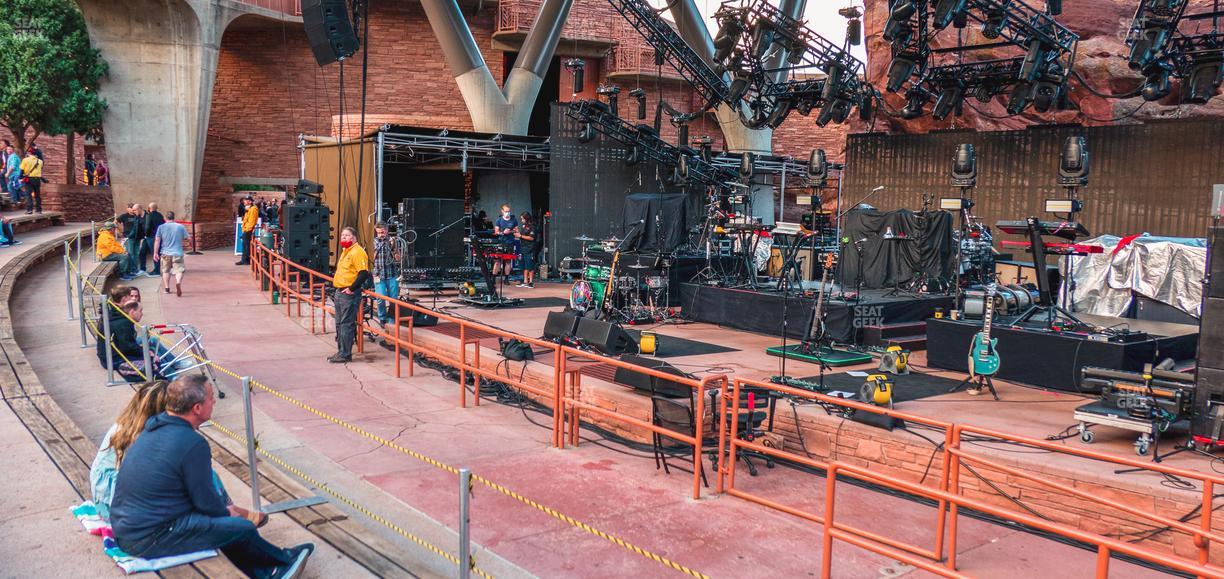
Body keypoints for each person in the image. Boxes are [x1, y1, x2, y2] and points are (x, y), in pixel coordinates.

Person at [110, 376, 313, 577]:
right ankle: (278, 567)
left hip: (128, 530)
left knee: (225, 525)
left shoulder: (153, 428)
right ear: (197, 408)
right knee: (240, 527)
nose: (214, 402)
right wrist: (230, 515)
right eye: (211, 397)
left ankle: (270, 566)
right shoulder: (192, 442)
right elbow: (206, 502)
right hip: (150, 537)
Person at [329, 227, 369, 363]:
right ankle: (341, 351)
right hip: (339, 292)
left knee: (346, 324)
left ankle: (346, 354)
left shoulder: (357, 252)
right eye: (342, 236)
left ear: (354, 238)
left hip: (349, 294)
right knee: (339, 323)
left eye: (347, 236)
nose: (344, 238)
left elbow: (363, 273)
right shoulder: (345, 251)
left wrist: (352, 288)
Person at [96, 300, 159, 382]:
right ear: (132, 312)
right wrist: (146, 352)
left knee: (151, 351)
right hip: (113, 360)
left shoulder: (118, 318)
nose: (142, 314)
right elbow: (127, 347)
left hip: (108, 356)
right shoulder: (125, 323)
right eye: (140, 311)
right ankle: (169, 376)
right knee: (153, 358)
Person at [371, 223, 400, 326]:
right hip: (379, 275)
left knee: (393, 299)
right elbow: (371, 259)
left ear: (387, 231)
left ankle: (392, 319)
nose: (380, 235)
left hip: (391, 274)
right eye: (378, 232)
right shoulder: (374, 241)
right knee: (380, 298)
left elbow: (398, 258)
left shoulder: (392, 241)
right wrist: (378, 247)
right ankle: (382, 318)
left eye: (382, 232)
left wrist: (393, 247)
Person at [154, 211, 189, 296]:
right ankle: (178, 282)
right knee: (179, 270)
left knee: (166, 271)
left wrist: (155, 252)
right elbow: (188, 238)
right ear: (174, 217)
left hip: (165, 252)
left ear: (165, 218)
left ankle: (167, 288)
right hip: (177, 252)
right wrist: (189, 243)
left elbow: (157, 240)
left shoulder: (161, 227)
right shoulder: (180, 226)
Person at [118, 204, 146, 278]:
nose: (132, 210)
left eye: (133, 209)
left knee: (136, 253)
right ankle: (131, 269)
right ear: (127, 209)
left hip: (137, 237)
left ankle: (135, 269)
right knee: (131, 253)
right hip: (129, 237)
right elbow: (116, 222)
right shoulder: (124, 216)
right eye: (130, 208)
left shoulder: (137, 215)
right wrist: (120, 231)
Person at [492, 204, 519, 278]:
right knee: (497, 261)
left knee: (508, 261)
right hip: (500, 243)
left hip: (510, 243)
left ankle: (506, 278)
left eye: (509, 211)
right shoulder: (499, 220)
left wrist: (509, 231)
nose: (508, 212)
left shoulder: (514, 220)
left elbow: (516, 230)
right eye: (506, 211)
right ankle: (493, 278)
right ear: (502, 211)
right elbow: (496, 231)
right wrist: (503, 232)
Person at [515, 212, 539, 288]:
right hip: (523, 248)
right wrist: (517, 233)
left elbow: (531, 238)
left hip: (530, 249)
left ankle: (531, 282)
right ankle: (525, 281)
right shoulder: (524, 226)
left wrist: (521, 236)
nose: (521, 220)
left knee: (530, 266)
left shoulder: (532, 227)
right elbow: (521, 236)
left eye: (522, 218)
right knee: (524, 266)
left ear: (526, 218)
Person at [143, 203, 166, 276]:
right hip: (160, 236)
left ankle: (156, 271)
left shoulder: (149, 216)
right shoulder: (160, 215)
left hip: (151, 236)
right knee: (159, 253)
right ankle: (162, 268)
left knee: (154, 253)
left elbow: (147, 227)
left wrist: (146, 235)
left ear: (149, 208)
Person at [18, 147, 43, 214]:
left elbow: (22, 170)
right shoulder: (40, 161)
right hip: (37, 179)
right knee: (37, 195)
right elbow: (40, 170)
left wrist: (20, 178)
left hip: (29, 179)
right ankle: (39, 210)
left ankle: (30, 209)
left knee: (28, 194)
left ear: (29, 153)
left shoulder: (25, 160)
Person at [236, 197, 259, 266]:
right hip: (246, 229)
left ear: (250, 201)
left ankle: (245, 260)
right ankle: (245, 260)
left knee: (246, 245)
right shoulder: (249, 209)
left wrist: (247, 229)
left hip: (248, 230)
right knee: (245, 245)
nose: (244, 202)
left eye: (245, 201)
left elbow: (252, 221)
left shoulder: (253, 209)